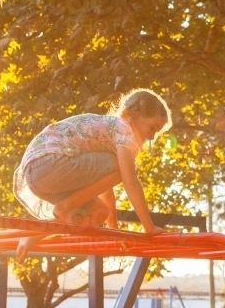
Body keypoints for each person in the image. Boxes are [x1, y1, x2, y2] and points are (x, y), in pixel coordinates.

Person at [12, 88, 172, 261]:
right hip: (50, 163)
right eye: (152, 128)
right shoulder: (124, 130)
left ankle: (36, 233)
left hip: (38, 174)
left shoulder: (108, 132)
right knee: (128, 168)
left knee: (98, 213)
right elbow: (130, 182)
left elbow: (106, 188)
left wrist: (113, 229)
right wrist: (149, 227)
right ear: (135, 115)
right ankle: (66, 206)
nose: (152, 137)